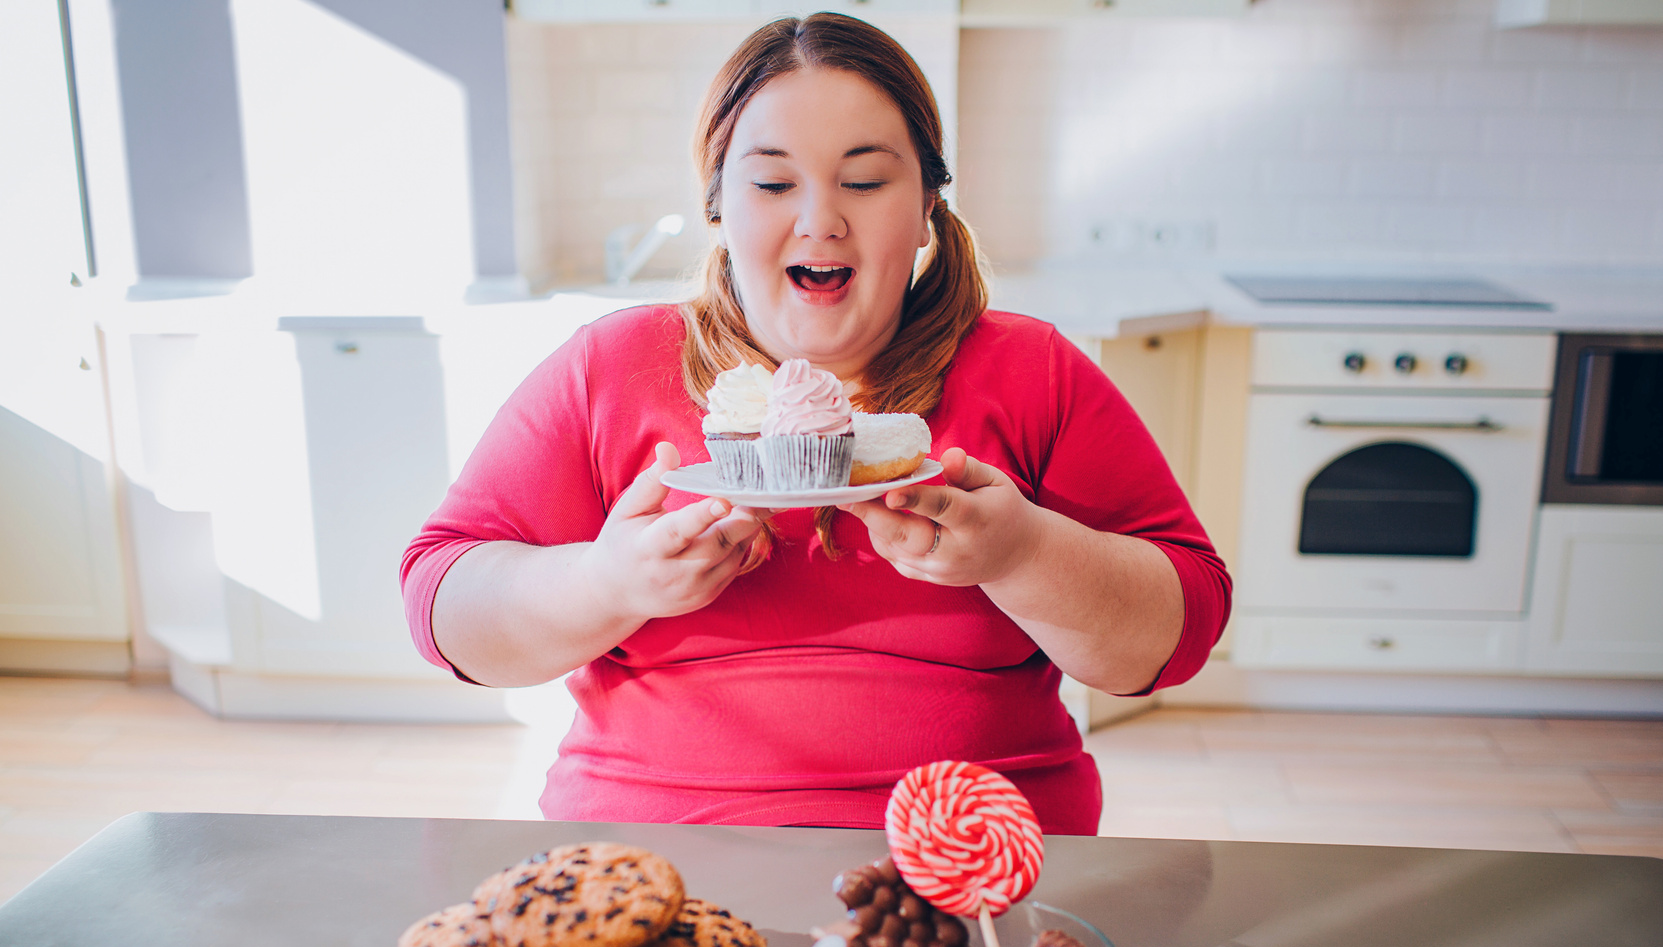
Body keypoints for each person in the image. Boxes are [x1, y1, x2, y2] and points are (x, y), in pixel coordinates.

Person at [400, 13, 1229, 834]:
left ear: (928, 204)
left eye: (864, 182)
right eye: (771, 183)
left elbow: (1175, 638)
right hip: (657, 860)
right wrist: (605, 585)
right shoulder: (612, 367)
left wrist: (1023, 554)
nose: (820, 219)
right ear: (718, 204)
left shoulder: (1032, 371)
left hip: (968, 876)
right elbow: (442, 615)